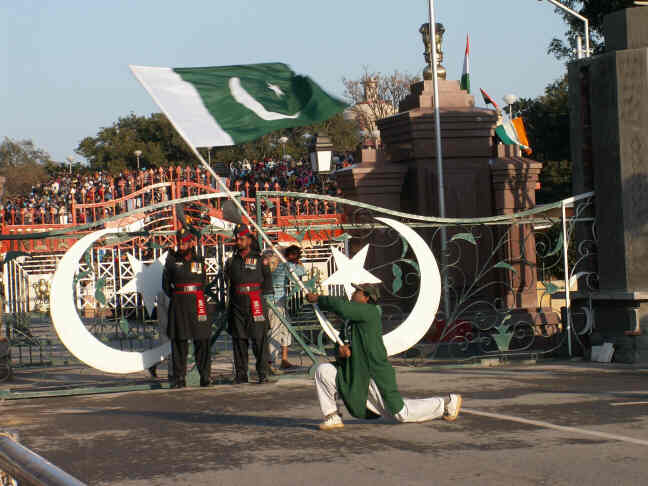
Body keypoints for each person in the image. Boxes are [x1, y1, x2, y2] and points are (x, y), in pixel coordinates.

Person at [306, 284, 462, 430]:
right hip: (355, 373)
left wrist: (319, 299)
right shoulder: (350, 321)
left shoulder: (370, 311)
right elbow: (341, 346)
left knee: (401, 413)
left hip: (373, 373)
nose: (352, 293)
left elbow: (341, 307)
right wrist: (340, 352)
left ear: (367, 297)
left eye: (357, 292)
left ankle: (447, 403)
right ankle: (332, 416)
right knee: (323, 370)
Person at [162, 229, 211, 388]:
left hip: (197, 304)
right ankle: (179, 378)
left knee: (202, 341)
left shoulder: (200, 260)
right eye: (180, 243)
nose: (182, 246)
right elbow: (166, 286)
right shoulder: (171, 260)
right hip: (179, 305)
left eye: (185, 243)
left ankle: (205, 376)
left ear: (191, 243)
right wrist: (178, 297)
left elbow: (204, 283)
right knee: (179, 342)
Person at [225, 225, 274, 384]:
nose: (239, 242)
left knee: (259, 339)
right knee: (239, 340)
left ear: (249, 239)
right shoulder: (231, 261)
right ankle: (241, 374)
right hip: (238, 304)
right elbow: (229, 284)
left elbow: (267, 282)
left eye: (242, 239)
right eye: (237, 239)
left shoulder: (261, 259)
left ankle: (262, 373)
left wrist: (261, 298)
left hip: (255, 302)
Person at [265, 245, 306, 372]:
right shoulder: (283, 265)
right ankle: (270, 363)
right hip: (276, 302)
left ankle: (283, 359)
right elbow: (301, 272)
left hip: (274, 301)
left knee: (285, 329)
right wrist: (298, 262)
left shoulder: (272, 263)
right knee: (276, 331)